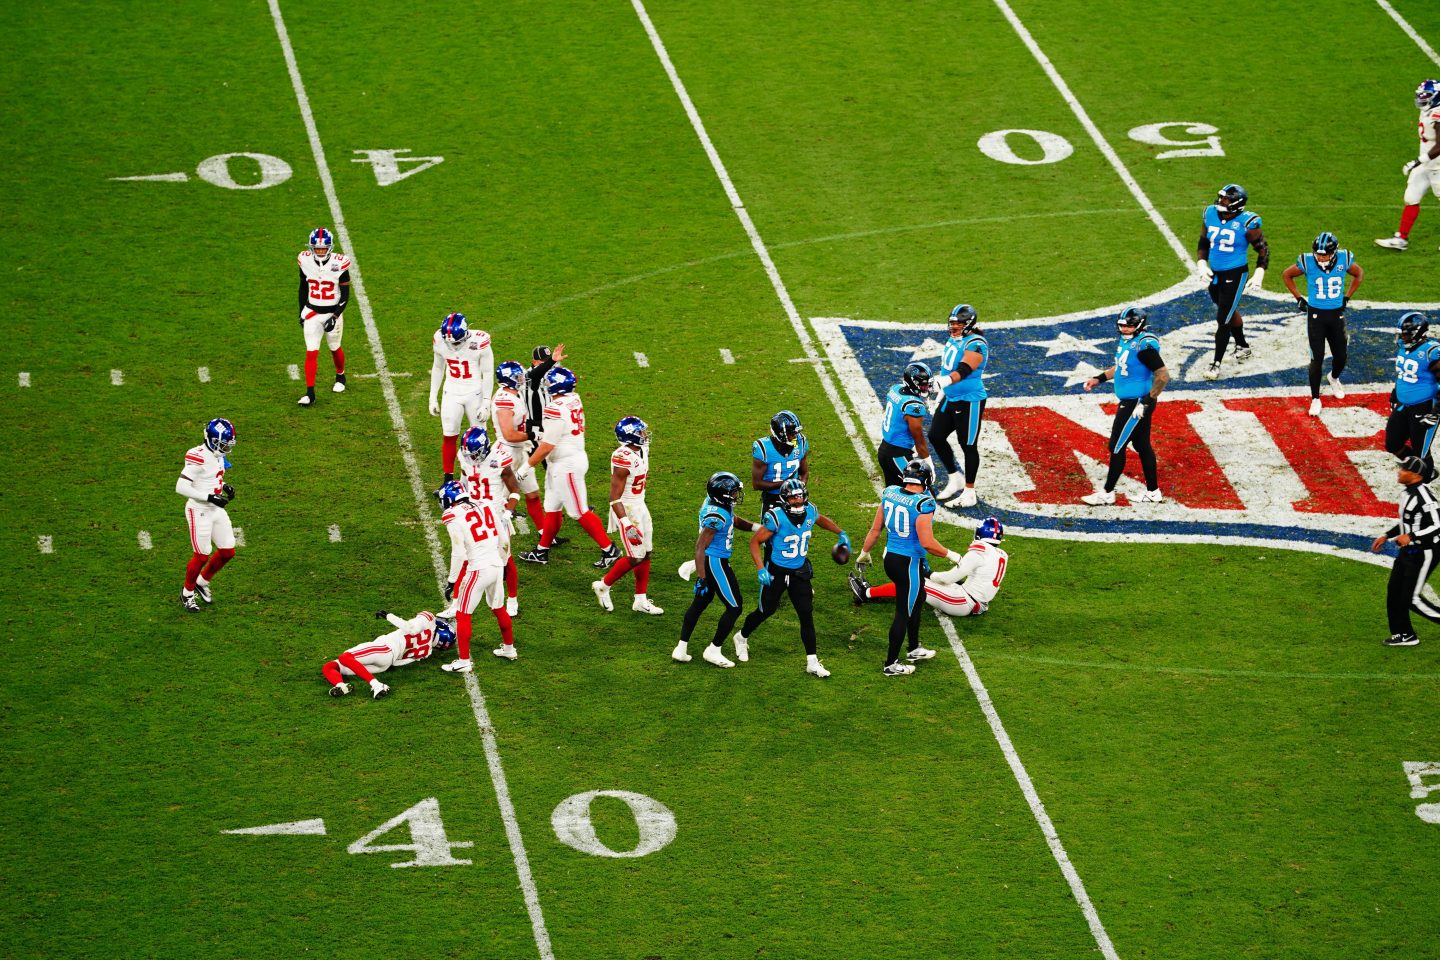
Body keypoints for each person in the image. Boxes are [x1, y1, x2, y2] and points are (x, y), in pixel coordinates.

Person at [856, 460, 965, 676]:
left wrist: (865, 552)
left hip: (892, 559)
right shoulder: (923, 503)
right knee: (903, 613)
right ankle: (891, 665)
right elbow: (927, 543)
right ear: (925, 479)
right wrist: (953, 555)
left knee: (919, 598)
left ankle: (914, 647)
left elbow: (876, 529)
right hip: (908, 563)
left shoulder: (889, 492)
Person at [732, 478, 848, 678]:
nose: (798, 501)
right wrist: (761, 569)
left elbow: (820, 519)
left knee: (806, 614)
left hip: (799, 573)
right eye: (793, 498)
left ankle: (812, 661)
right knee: (765, 610)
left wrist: (840, 532)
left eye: (800, 496)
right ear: (785, 499)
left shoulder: (810, 510)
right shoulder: (775, 517)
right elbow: (754, 543)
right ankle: (741, 637)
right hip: (776, 571)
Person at [516, 366, 620, 568]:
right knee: (552, 508)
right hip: (565, 460)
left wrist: (525, 467)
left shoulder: (554, 408)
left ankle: (610, 550)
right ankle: (542, 551)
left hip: (567, 465)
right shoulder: (574, 398)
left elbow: (547, 445)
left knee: (578, 511)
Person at [1078, 307, 1170, 505]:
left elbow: (1163, 376)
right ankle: (1153, 492)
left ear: (1139, 325)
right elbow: (1122, 366)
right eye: (1122, 325)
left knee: (1116, 446)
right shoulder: (1129, 341)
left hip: (1136, 403)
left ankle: (1107, 493)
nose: (1125, 329)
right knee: (1141, 445)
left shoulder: (1144, 347)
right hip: (1134, 401)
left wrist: (1146, 401)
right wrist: (1099, 378)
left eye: (1129, 326)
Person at [673, 472, 759, 668]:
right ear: (723, 494)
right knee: (735, 607)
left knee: (700, 604)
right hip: (715, 561)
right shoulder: (716, 515)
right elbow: (700, 547)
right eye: (734, 492)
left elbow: (733, 520)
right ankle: (714, 649)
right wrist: (702, 578)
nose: (737, 495)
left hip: (713, 560)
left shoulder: (719, 505)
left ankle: (681, 648)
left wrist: (757, 528)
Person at [851, 516, 1007, 618]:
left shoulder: (979, 552)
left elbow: (949, 578)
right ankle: (870, 591)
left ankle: (866, 593)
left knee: (912, 583)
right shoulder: (1002, 554)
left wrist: (929, 574)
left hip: (963, 602)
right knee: (920, 580)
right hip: (976, 600)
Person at [435, 479, 515, 670]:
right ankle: (509, 649)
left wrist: (452, 580)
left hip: (477, 569)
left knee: (462, 614)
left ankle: (463, 662)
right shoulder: (486, 504)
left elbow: (459, 553)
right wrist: (503, 563)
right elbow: (503, 539)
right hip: (495, 563)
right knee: (498, 608)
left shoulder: (452, 515)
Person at [1282, 232, 1364, 415]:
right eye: (1318, 254)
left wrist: (1347, 297)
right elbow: (1287, 275)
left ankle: (1334, 378)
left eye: (1324, 254)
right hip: (1316, 316)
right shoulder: (1307, 261)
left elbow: (1358, 274)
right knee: (1316, 359)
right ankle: (1315, 399)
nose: (1320, 257)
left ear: (1334, 252)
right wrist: (1298, 298)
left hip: (1336, 315)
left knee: (1341, 356)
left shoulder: (1344, 258)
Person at [592, 416, 664, 616]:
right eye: (640, 432)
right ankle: (603, 585)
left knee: (647, 552)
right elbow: (614, 497)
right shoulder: (623, 458)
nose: (644, 435)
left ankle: (640, 600)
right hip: (627, 509)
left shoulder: (641, 450)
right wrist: (625, 523)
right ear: (630, 436)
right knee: (635, 556)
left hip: (640, 505)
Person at [1196, 184, 1269, 381]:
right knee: (1226, 309)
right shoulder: (1210, 213)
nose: (1221, 201)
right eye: (1221, 198)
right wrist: (1202, 262)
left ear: (1236, 203)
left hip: (1235, 273)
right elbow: (1203, 242)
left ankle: (1215, 363)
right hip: (1216, 272)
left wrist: (1259, 272)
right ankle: (1243, 346)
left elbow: (1263, 249)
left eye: (1226, 199)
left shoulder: (1248, 222)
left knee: (1223, 319)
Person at [454, 426, 522, 619]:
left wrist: (508, 512)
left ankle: (512, 599)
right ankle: (458, 600)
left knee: (505, 560)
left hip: (496, 517)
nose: (470, 459)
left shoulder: (499, 458)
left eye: (473, 454)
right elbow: (464, 481)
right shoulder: (465, 456)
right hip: (474, 515)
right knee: (467, 557)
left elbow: (515, 490)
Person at [1371, 456, 1440, 646]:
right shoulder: (1407, 493)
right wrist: (1386, 534)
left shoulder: (1425, 497)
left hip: (1424, 552)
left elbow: (1438, 525)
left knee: (1411, 599)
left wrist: (1411, 537)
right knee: (1394, 592)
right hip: (1407, 552)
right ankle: (1405, 634)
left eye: (1404, 469)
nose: (1399, 471)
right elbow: (1406, 522)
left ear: (1416, 475)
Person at [177, 418, 238, 612]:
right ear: (211, 440)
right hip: (199, 510)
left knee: (228, 551)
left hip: (214, 508)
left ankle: (201, 582)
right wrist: (209, 497)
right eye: (223, 444)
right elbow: (181, 487)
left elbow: (212, 475)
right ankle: (187, 593)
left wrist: (223, 487)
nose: (226, 448)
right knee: (202, 555)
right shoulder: (199, 456)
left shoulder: (217, 455)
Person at [322, 611, 456, 699]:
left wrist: (388, 616)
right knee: (330, 666)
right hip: (386, 663)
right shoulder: (427, 652)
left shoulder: (429, 619)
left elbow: (411, 629)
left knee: (345, 658)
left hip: (384, 648)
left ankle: (377, 685)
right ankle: (341, 686)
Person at [930, 304, 988, 506]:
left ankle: (969, 492)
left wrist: (943, 383)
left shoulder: (976, 343)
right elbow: (948, 368)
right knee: (936, 436)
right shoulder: (954, 339)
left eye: (958, 323)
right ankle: (955, 477)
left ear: (969, 324)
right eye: (952, 322)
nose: (954, 326)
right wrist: (943, 392)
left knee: (968, 445)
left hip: (969, 400)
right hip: (951, 397)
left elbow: (964, 369)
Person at [428, 312, 493, 481]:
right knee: (449, 435)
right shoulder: (440, 339)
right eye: (449, 341)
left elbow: (487, 372)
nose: (452, 345)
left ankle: (484, 478)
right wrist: (432, 396)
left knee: (480, 438)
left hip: (475, 392)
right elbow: (437, 368)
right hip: (451, 391)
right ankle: (448, 480)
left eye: (456, 341)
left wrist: (486, 402)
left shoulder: (480, 341)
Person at [1376, 80, 1440, 251]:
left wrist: (1418, 161)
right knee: (1411, 197)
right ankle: (1401, 239)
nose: (1421, 98)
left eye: (1425, 95)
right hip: (1426, 164)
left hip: (1438, 167)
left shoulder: (1438, 114)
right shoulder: (1428, 111)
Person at [295, 228, 351, 407]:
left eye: (323, 248)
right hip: (312, 311)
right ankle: (310, 393)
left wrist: (335, 316)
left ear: (330, 247)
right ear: (311, 247)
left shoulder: (339, 264)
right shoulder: (304, 261)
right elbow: (303, 287)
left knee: (334, 347)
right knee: (311, 352)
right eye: (316, 248)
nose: (320, 251)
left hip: (332, 311)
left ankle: (340, 376)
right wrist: (301, 311)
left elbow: (345, 294)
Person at [492, 359, 547, 533]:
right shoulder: (504, 401)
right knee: (499, 501)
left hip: (519, 451)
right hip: (506, 453)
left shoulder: (513, 394)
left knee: (532, 494)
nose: (522, 379)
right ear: (508, 379)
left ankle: (544, 535)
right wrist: (532, 435)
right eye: (518, 377)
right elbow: (509, 434)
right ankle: (494, 535)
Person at [1387, 312, 1440, 467]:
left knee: (1421, 453)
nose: (1402, 337)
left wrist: (1436, 412)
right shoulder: (1404, 348)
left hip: (1424, 406)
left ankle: (1423, 476)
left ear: (1417, 333)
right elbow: (1403, 374)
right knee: (1393, 444)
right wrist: (1395, 393)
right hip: (1403, 405)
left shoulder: (1432, 352)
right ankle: (1420, 470)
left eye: (1405, 334)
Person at [878, 361, 935, 487]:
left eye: (927, 384)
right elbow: (919, 440)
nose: (926, 388)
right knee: (924, 493)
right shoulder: (913, 406)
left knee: (893, 494)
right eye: (923, 385)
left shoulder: (896, 389)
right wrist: (929, 464)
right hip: (898, 455)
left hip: (884, 449)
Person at [752, 410, 810, 516]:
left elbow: (804, 472)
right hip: (772, 499)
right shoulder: (764, 448)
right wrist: (786, 484)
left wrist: (800, 486)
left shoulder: (801, 442)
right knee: (770, 531)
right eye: (791, 433)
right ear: (780, 433)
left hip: (795, 498)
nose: (795, 436)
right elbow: (757, 484)